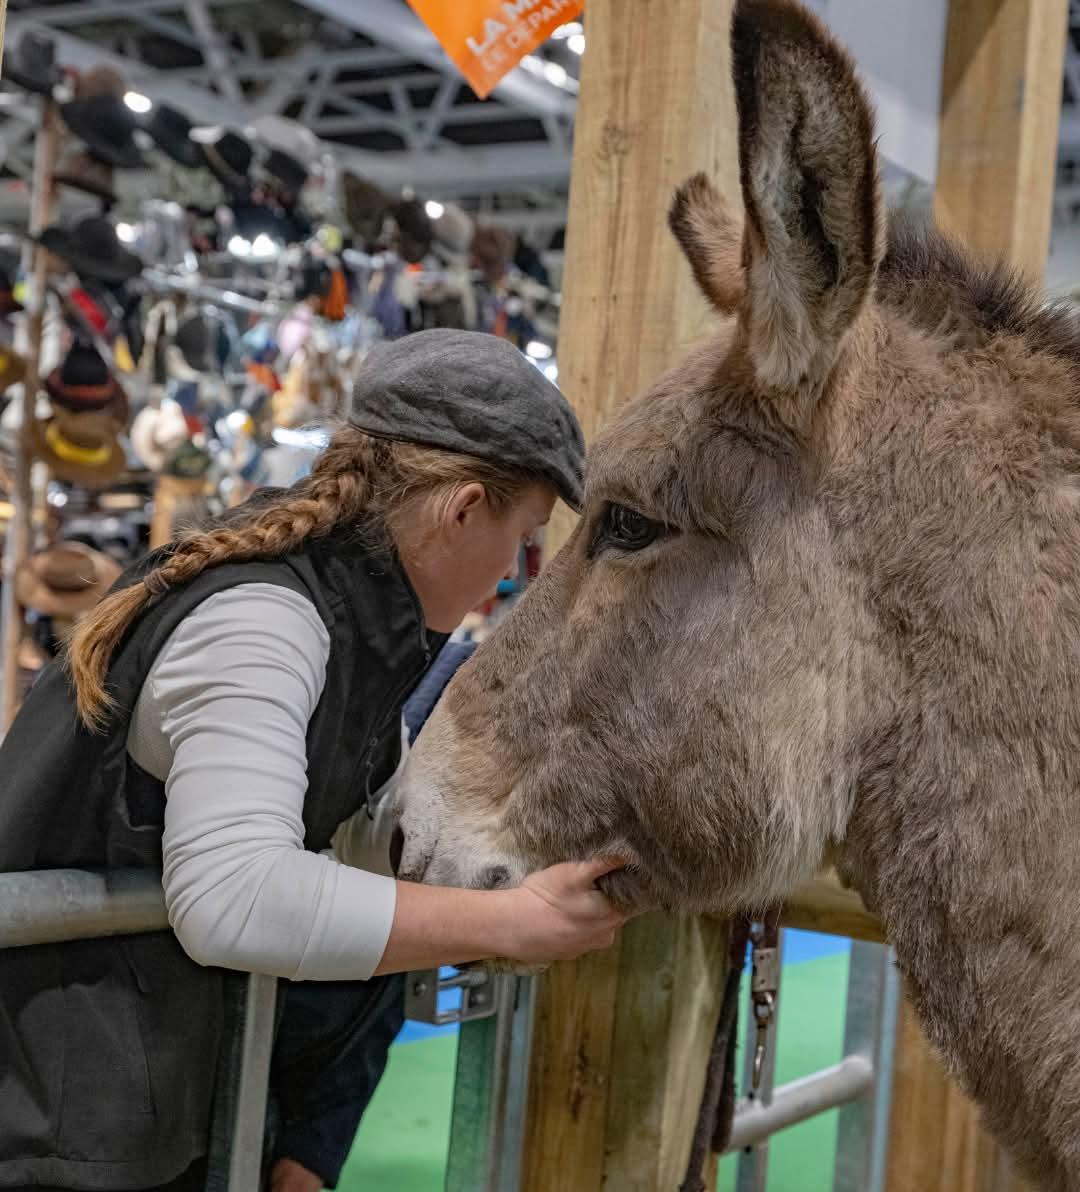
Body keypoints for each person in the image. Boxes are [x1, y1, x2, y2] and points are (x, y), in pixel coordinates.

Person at [0, 330, 630, 1192]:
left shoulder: (355, 625)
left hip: (138, 1110)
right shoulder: (266, 621)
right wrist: (514, 924)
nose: (512, 573)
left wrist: (313, 1134)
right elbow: (234, 897)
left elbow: (358, 861)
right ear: (462, 509)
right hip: (57, 1126)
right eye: (522, 542)